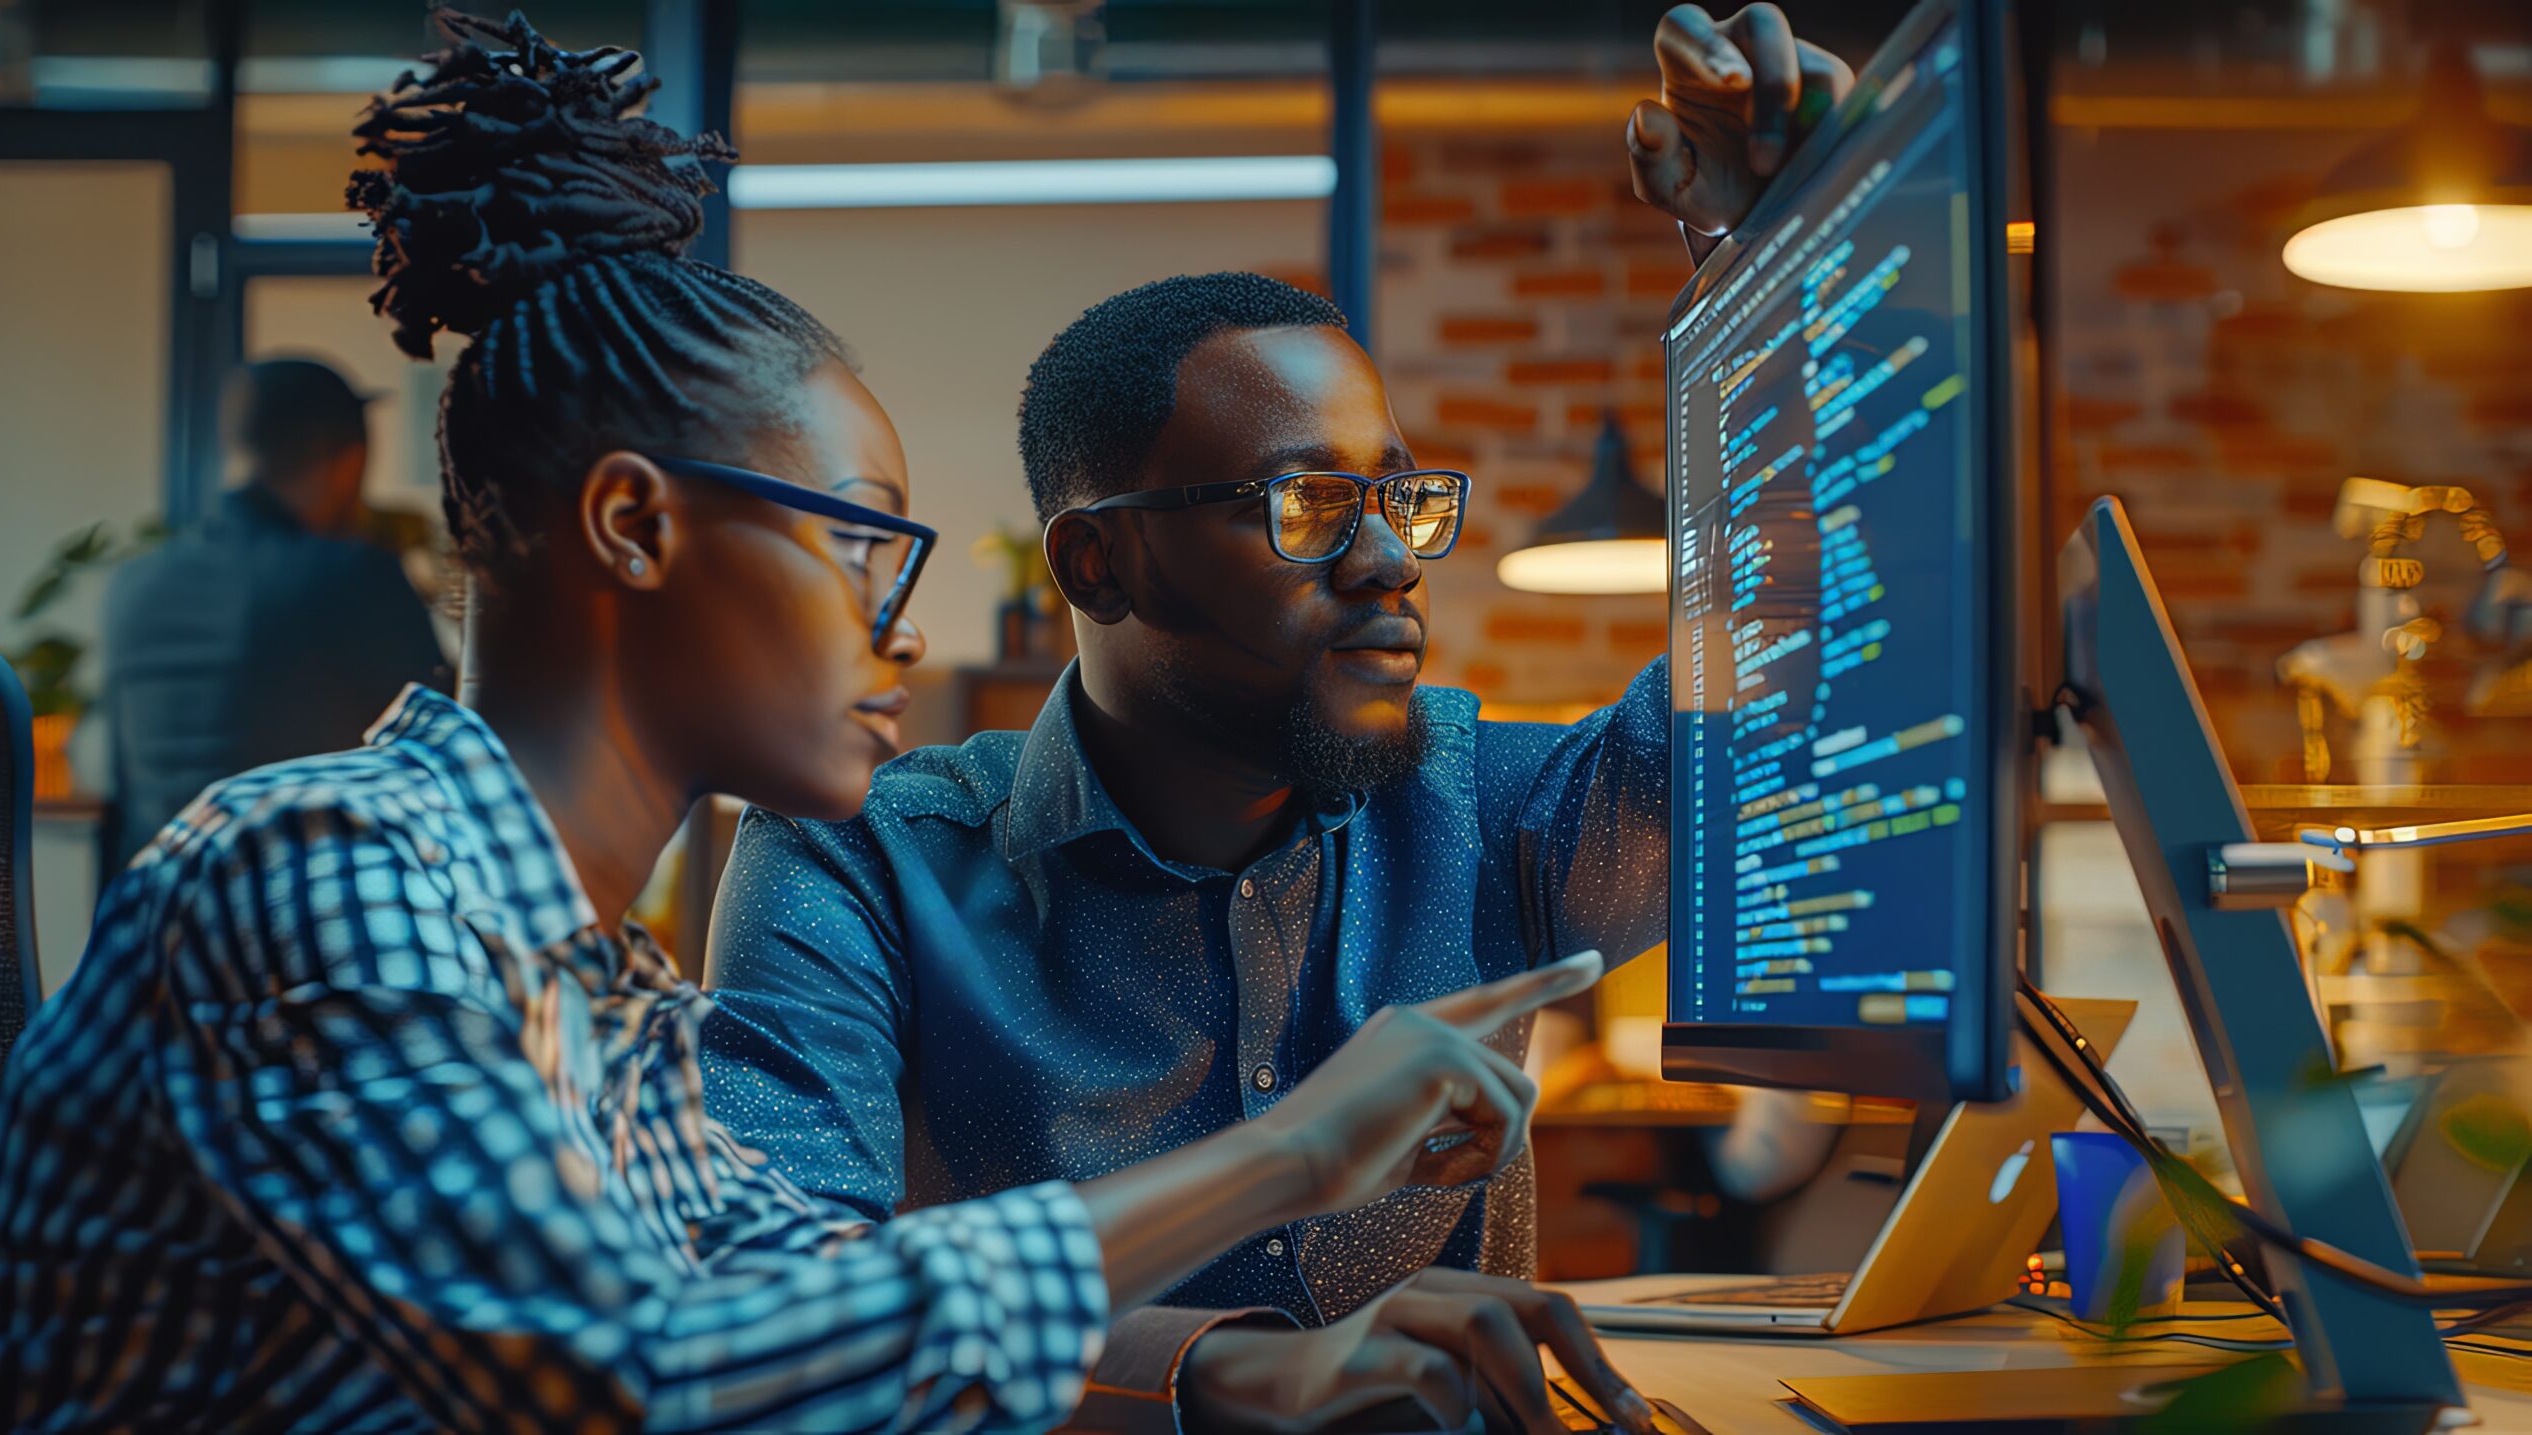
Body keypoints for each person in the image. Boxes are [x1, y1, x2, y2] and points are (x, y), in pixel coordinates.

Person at [0, 13, 1633, 1432]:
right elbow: (641, 1383)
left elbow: (812, 1302)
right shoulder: (329, 863)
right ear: (635, 528)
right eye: (859, 544)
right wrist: (1291, 1151)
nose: (901, 626)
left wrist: (1259, 1369)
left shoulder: (594, 989)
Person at [700, 4, 1855, 1427]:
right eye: (1306, 505)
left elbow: (1788, 671)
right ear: (1095, 560)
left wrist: (1782, 267)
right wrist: (1217, 1370)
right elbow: (783, 1312)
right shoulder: (862, 857)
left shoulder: (1491, 812)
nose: (1387, 560)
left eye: (1399, 498)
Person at [100, 356, 450, 861]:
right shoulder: (350, 574)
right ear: (351, 462)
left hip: (154, 916)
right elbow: (444, 746)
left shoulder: (133, 583)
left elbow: (124, 792)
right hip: (296, 913)